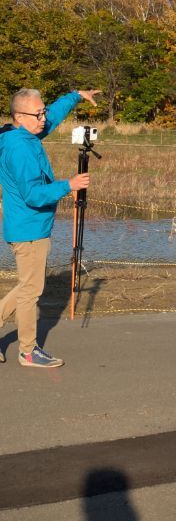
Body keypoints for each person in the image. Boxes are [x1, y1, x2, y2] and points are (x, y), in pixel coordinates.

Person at [0, 88, 100, 367]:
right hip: (28, 229)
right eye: (38, 113)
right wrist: (70, 185)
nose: (43, 118)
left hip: (29, 226)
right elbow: (33, 194)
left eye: (43, 111)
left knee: (26, 286)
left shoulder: (21, 134)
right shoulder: (19, 148)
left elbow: (52, 118)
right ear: (20, 116)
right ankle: (28, 351)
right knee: (31, 291)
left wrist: (75, 95)